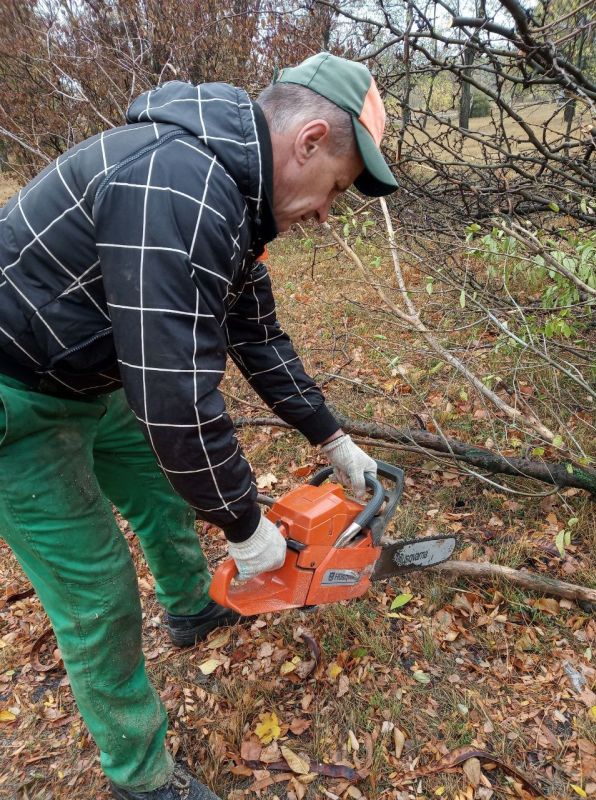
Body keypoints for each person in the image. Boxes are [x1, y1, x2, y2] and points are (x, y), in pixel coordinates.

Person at [0, 52, 398, 799]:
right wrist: (248, 528)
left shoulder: (232, 198)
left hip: (88, 375)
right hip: (13, 391)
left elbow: (260, 339)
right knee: (96, 589)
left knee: (158, 490)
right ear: (308, 141)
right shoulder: (176, 184)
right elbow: (177, 400)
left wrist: (331, 437)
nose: (324, 212)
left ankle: (192, 606)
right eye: (336, 189)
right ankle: (139, 776)